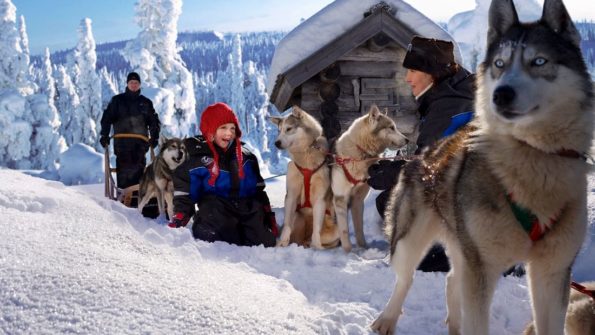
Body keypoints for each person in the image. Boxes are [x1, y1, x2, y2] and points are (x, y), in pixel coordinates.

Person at [368, 36, 475, 272]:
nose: (408, 78)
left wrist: (392, 173)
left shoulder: (450, 106)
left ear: (433, 73)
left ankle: (439, 257)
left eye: (414, 70)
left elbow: (430, 167)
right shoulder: (457, 92)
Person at [168, 102, 277, 247]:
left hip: (246, 208)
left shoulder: (247, 157)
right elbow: (185, 192)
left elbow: (258, 191)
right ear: (211, 129)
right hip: (216, 209)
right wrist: (181, 216)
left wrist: (269, 216)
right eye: (223, 127)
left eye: (232, 128)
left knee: (266, 242)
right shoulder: (196, 157)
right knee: (212, 234)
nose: (229, 133)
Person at [99, 71, 161, 190]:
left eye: (136, 82)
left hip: (140, 143)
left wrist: (154, 137)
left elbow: (153, 121)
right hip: (122, 142)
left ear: (139, 85)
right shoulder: (117, 101)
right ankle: (124, 197)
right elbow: (106, 118)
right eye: (131, 82)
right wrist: (104, 135)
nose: (134, 85)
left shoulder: (145, 102)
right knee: (124, 169)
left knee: (139, 169)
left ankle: (138, 197)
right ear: (127, 84)